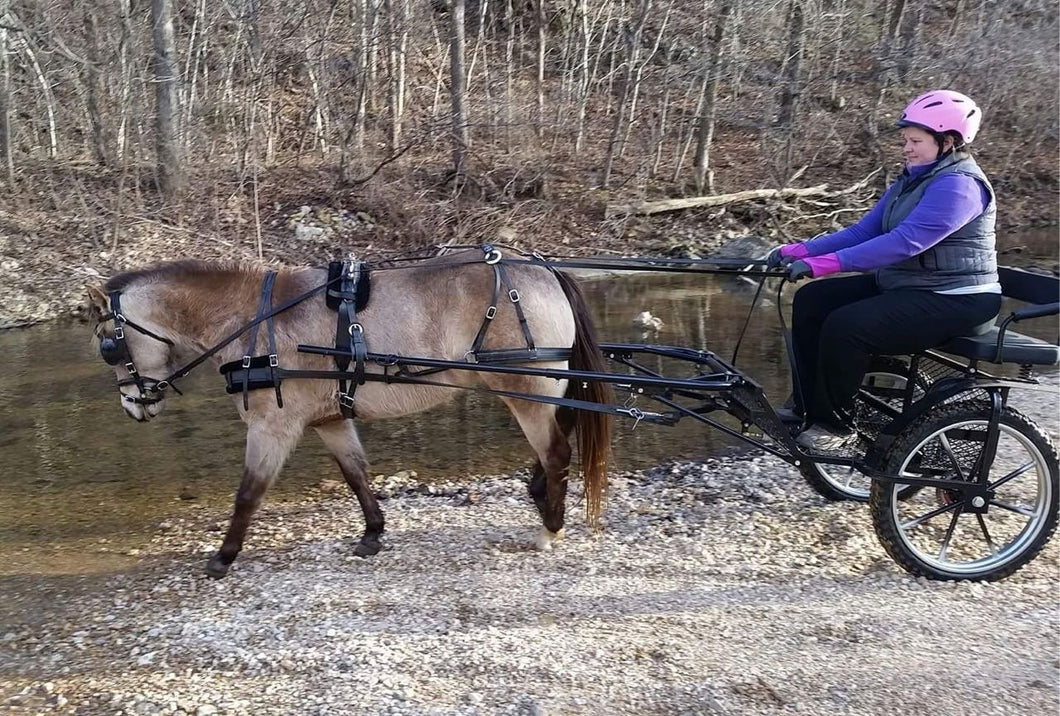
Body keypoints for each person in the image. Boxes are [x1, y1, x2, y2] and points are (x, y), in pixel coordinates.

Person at [764, 89, 1002, 452]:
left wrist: (821, 265)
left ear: (949, 141)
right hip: (911, 285)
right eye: (905, 140)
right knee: (813, 301)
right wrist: (799, 250)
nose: (906, 148)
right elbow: (864, 232)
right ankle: (806, 406)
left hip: (958, 298)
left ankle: (836, 426)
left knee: (848, 326)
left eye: (916, 141)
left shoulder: (960, 186)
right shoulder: (913, 179)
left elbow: (904, 243)